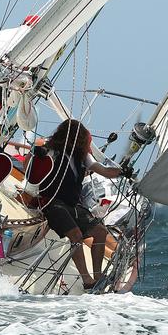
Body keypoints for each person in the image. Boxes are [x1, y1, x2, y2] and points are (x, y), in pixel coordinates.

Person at [33, 119, 123, 291]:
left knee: (101, 232)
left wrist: (121, 172)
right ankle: (87, 280)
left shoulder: (82, 156)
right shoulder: (51, 150)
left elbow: (103, 170)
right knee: (75, 235)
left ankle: (98, 275)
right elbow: (33, 164)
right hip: (51, 203)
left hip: (71, 205)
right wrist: (38, 155)